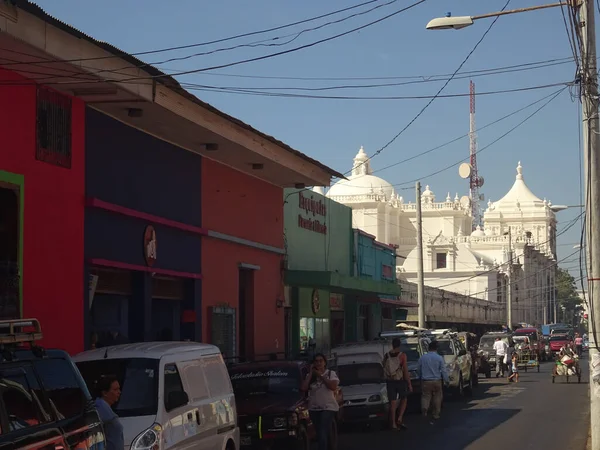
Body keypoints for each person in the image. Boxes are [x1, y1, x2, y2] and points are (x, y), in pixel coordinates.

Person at [301, 353, 339, 450]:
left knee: (322, 430)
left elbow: (333, 386)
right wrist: (310, 373)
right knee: (319, 432)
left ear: (325, 363)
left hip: (328, 407)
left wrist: (321, 375)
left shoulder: (331, 373)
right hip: (314, 408)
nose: (318, 363)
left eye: (320, 361)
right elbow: (304, 388)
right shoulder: (310, 376)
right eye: (316, 361)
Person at [383, 337, 412, 430]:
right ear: (399, 345)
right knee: (404, 398)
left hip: (390, 381)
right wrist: (409, 384)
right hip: (399, 380)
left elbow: (384, 367)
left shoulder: (386, 355)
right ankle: (399, 417)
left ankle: (393, 423)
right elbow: (405, 371)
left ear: (392, 345)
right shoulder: (402, 355)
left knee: (393, 402)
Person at [417, 341, 449, 424]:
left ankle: (425, 408)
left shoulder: (422, 358)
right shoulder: (439, 358)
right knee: (437, 396)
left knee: (425, 396)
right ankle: (436, 413)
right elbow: (443, 371)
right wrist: (446, 380)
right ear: (436, 348)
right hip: (436, 380)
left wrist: (420, 377)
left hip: (426, 381)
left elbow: (419, 370)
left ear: (428, 348)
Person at [94, 376, 124, 450]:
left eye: (119, 389)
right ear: (105, 393)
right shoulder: (100, 406)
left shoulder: (106, 407)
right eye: (115, 389)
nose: (119, 392)